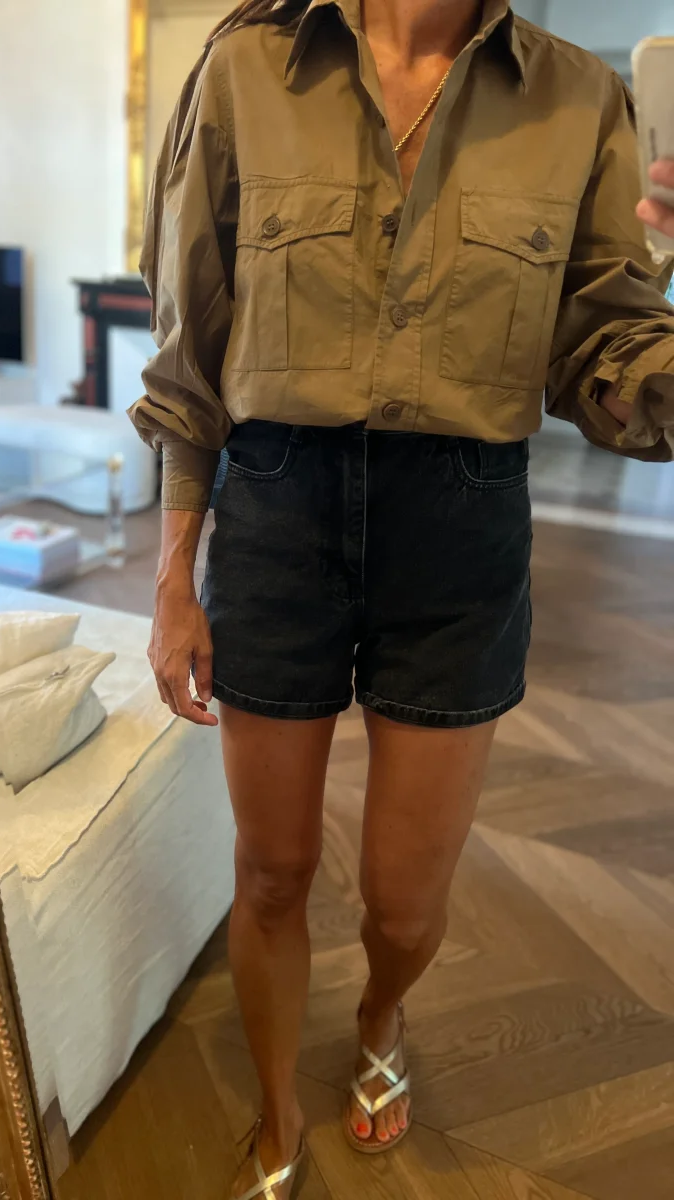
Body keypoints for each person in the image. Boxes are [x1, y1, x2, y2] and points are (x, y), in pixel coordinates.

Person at [129, 2, 674, 1195]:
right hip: (276, 508)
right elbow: (188, 350)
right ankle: (278, 1114)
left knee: (408, 903)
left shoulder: (579, 97)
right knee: (271, 871)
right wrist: (173, 577)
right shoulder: (246, 68)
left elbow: (609, 361)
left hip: (461, 526)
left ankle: (382, 1012)